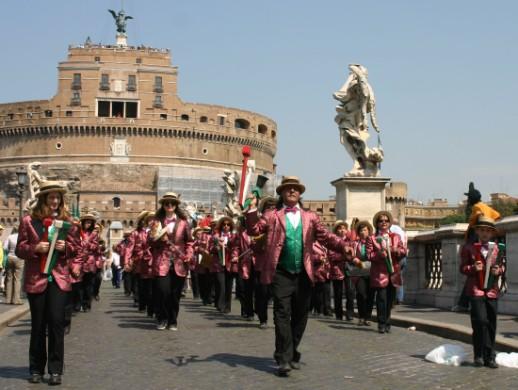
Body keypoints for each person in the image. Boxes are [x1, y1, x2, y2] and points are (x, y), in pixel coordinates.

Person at [245, 176, 352, 376]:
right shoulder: (272, 214)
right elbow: (253, 229)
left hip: (304, 272)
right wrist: (251, 209)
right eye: (288, 189)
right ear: (282, 193)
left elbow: (326, 237)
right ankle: (283, 358)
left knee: (301, 315)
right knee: (281, 314)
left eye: (295, 189)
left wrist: (344, 245)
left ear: (300, 193)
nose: (292, 191)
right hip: (280, 272)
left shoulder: (310, 217)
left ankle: (291, 350)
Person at [15, 180, 81, 385]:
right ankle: (35, 368)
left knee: (56, 323)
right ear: (44, 199)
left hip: (59, 278)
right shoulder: (28, 221)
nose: (55, 201)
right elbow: (20, 249)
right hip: (37, 278)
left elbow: (77, 249)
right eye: (51, 197)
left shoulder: (68, 221)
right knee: (38, 325)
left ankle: (55, 369)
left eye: (58, 197)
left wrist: (65, 248)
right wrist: (36, 248)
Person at [460, 216, 502, 368]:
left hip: (491, 290)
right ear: (477, 231)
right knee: (480, 321)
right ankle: (478, 354)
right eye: (482, 230)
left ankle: (489, 356)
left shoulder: (497, 248)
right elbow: (463, 268)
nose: (484, 233)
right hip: (476, 290)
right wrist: (472, 268)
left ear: (491, 233)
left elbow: (501, 266)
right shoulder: (468, 247)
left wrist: (499, 270)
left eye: (488, 231)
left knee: (491, 323)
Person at [150, 192, 193, 331]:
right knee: (163, 291)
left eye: (172, 203)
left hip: (179, 263)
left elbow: (190, 242)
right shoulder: (156, 222)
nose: (169, 205)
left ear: (176, 206)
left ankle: (173, 320)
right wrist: (158, 238)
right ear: (163, 205)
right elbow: (149, 242)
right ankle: (162, 318)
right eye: (167, 203)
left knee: (175, 295)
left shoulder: (184, 223)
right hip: (162, 261)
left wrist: (189, 254)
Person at [367, 211, 407, 334]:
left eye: (386, 220)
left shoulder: (396, 236)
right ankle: (381, 323)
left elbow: (404, 250)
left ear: (389, 223)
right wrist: (378, 254)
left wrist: (397, 251)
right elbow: (368, 255)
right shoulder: (372, 238)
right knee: (381, 298)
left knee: (390, 299)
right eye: (381, 221)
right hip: (379, 273)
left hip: (393, 272)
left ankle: (388, 321)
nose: (383, 222)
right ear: (377, 224)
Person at [125, 211, 155, 317]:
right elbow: (129, 248)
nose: (152, 221)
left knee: (153, 288)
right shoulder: (136, 233)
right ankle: (142, 304)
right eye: (149, 219)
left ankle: (151, 309)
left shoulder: (157, 232)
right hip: (140, 263)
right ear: (144, 221)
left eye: (153, 219)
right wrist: (127, 261)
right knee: (142, 287)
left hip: (155, 263)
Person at [350, 220, 374, 326]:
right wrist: (353, 259)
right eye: (361, 230)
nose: (362, 232)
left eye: (365, 230)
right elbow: (350, 256)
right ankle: (361, 316)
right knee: (361, 294)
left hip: (371, 272)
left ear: (368, 231)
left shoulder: (373, 242)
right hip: (359, 272)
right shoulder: (355, 244)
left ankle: (368, 317)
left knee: (370, 295)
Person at [327, 220, 352, 321]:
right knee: (338, 293)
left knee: (350, 292)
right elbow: (331, 256)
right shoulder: (332, 242)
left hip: (349, 269)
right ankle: (339, 314)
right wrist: (344, 256)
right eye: (340, 228)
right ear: (336, 231)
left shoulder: (350, 241)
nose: (342, 230)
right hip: (337, 270)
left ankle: (349, 313)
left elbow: (353, 254)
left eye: (344, 228)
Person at [78, 212, 101, 312]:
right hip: (79, 261)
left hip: (90, 261)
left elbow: (95, 246)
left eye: (90, 222)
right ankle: (79, 303)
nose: (88, 224)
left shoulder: (94, 233)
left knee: (89, 284)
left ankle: (87, 304)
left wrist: (87, 245)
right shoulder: (78, 232)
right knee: (79, 284)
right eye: (86, 222)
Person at [4, 226, 25, 304]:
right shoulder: (22, 237)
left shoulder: (10, 236)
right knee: (17, 279)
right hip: (19, 258)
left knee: (9, 278)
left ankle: (8, 299)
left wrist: (11, 250)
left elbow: (5, 247)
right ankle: (16, 299)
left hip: (10, 257)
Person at [389, 218, 408, 304]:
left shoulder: (392, 229)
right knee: (399, 277)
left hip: (396, 257)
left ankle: (393, 298)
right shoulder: (403, 232)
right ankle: (400, 298)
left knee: (393, 277)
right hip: (404, 256)